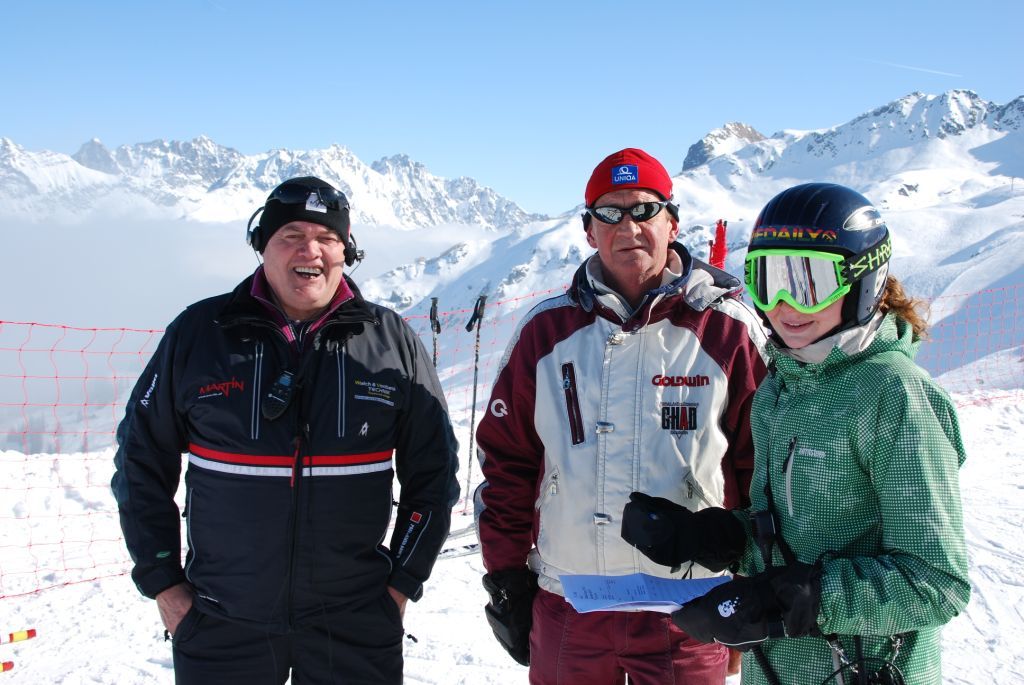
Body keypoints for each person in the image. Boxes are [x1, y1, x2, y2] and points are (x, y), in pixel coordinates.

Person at [111, 176, 460, 684]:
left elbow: (435, 472)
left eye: (326, 238)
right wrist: (163, 581)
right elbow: (139, 459)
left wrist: (402, 583)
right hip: (221, 623)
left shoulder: (391, 341)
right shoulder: (200, 333)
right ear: (262, 245)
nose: (310, 251)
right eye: (291, 235)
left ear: (347, 252)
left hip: (356, 623)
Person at [622, 183, 971, 684]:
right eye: (768, 281)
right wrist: (717, 536)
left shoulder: (894, 395)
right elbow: (788, 535)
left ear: (863, 279)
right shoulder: (781, 387)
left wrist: (797, 600)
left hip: (864, 670)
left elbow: (937, 583)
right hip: (777, 671)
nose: (785, 305)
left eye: (810, 281)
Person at [475, 148, 768, 684]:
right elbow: (507, 464)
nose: (628, 227)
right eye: (610, 213)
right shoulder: (546, 332)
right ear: (589, 230)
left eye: (644, 210)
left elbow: (762, 467)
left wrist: (753, 582)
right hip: (570, 600)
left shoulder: (726, 330)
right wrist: (506, 575)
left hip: (691, 605)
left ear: (672, 222)